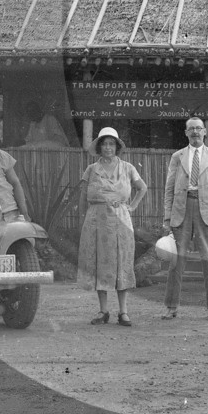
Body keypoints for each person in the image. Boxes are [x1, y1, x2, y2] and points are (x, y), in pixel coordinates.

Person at [76, 126, 146, 327]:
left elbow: (142, 188)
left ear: (117, 147)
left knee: (122, 263)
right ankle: (103, 310)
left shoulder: (128, 168)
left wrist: (131, 207)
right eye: (104, 144)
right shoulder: (91, 170)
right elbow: (82, 197)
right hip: (96, 221)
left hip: (120, 220)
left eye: (111, 144)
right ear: (99, 147)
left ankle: (123, 312)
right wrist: (83, 220)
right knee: (100, 263)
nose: (108, 148)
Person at [160, 116, 208, 322]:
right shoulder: (177, 156)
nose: (196, 132)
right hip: (182, 209)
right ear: (186, 133)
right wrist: (167, 217)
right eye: (191, 129)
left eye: (199, 128)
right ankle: (171, 307)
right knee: (176, 261)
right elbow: (169, 189)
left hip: (206, 210)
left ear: (205, 132)